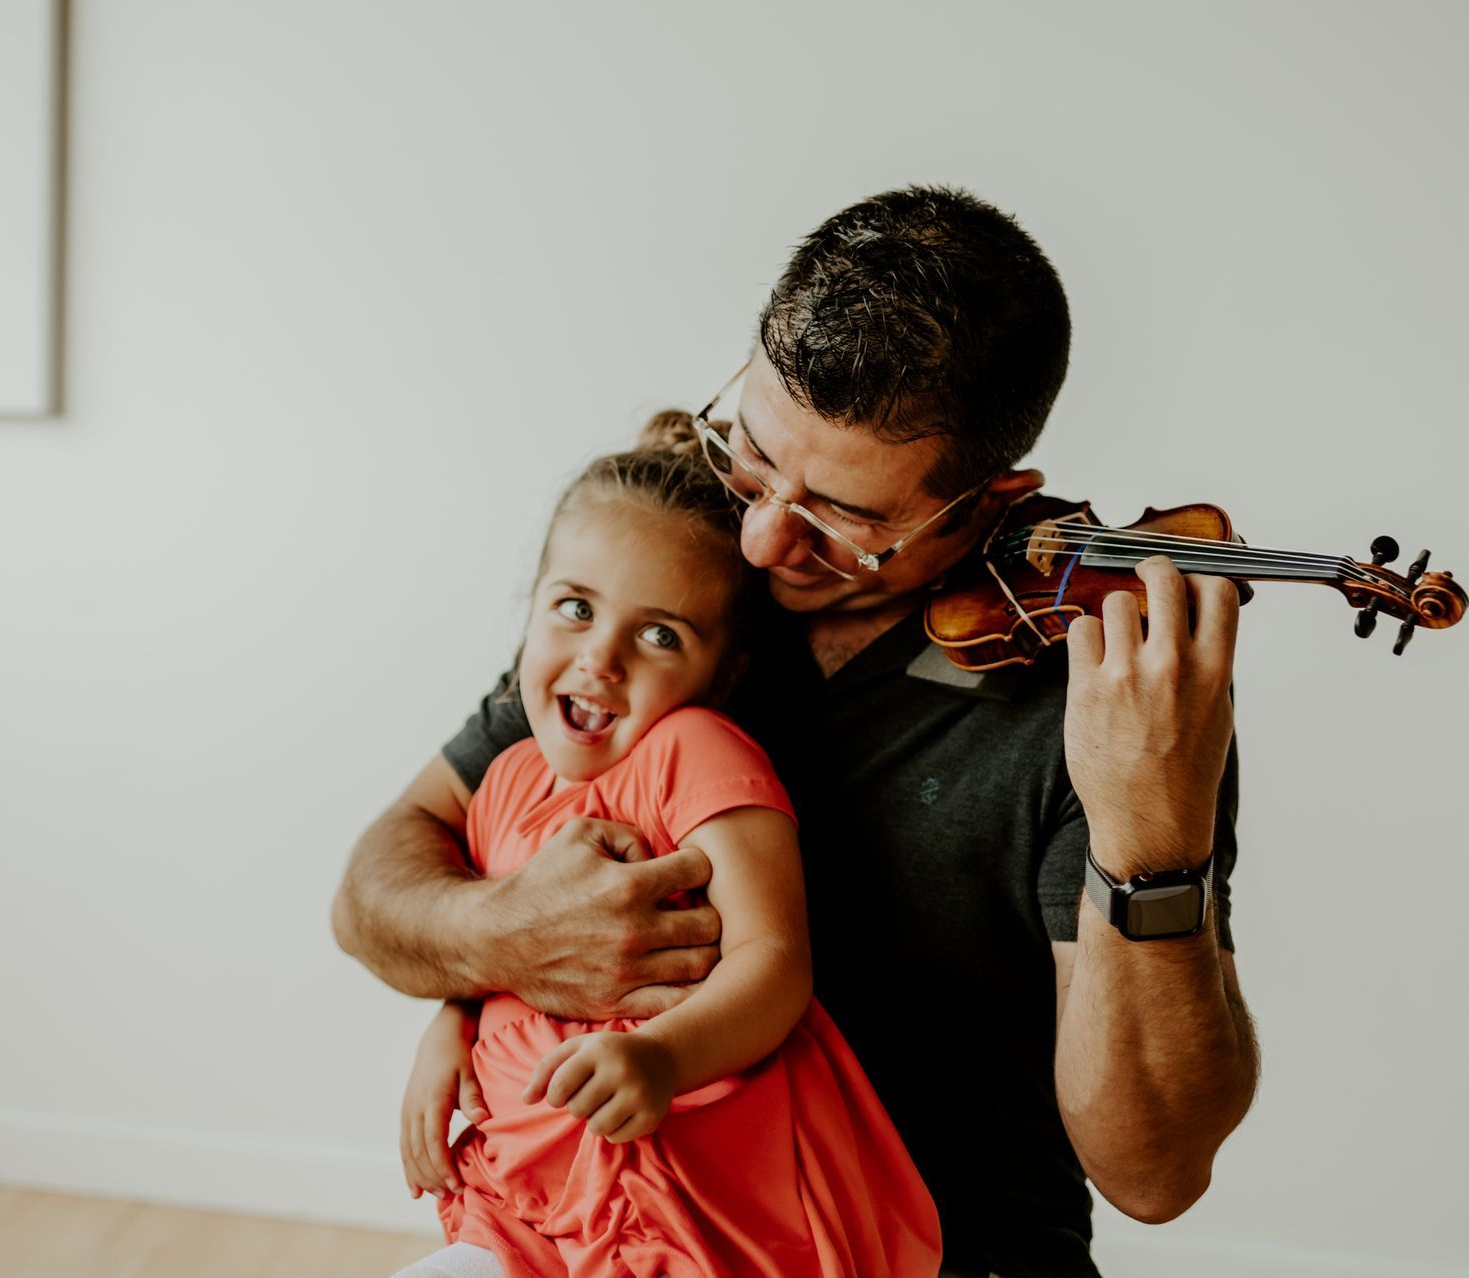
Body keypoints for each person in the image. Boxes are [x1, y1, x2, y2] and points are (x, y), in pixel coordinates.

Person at [336, 186, 1259, 1278]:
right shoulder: (677, 583)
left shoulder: (1102, 706)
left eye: (846, 517)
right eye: (755, 459)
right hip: (619, 1231)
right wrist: (500, 942)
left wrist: (1152, 833)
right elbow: (373, 895)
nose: (767, 541)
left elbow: (1154, 1174)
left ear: (988, 499)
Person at [392, 420, 941, 1277]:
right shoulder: (504, 780)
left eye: (659, 636)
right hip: (531, 1191)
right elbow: (506, 943)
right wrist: (449, 1023)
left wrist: (661, 1055)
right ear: (528, 614)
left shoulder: (694, 752)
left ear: (721, 676)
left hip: (677, 1197)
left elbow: (775, 962)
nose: (600, 658)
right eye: (574, 609)